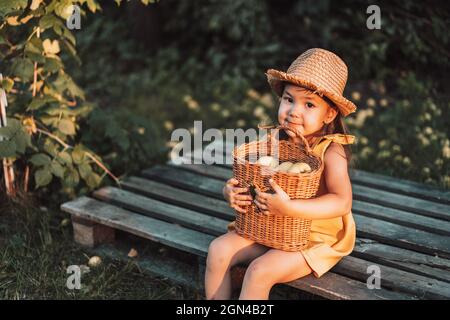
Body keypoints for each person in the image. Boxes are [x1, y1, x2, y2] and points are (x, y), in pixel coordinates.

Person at [205, 48, 358, 300]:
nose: (294, 111)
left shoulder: (331, 151)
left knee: (259, 271)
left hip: (313, 236)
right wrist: (230, 192)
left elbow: (342, 201)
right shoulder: (275, 142)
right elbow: (252, 181)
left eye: (309, 104)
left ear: (329, 114)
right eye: (289, 100)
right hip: (270, 225)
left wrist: (290, 208)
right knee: (218, 250)